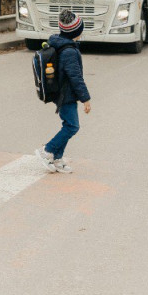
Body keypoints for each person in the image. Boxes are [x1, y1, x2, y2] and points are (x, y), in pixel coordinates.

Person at [35, 10, 91, 174]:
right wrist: (85, 99)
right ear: (76, 32)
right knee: (72, 126)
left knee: (68, 125)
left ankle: (57, 159)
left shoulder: (63, 45)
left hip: (64, 93)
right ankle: (47, 150)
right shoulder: (69, 52)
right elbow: (75, 78)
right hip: (65, 95)